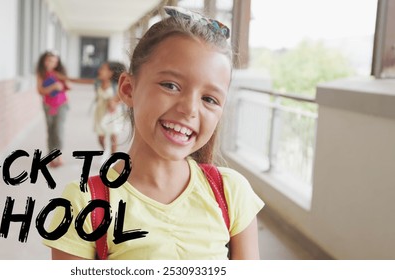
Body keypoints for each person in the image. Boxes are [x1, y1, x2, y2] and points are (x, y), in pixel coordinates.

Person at [43, 6, 264, 260]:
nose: (189, 109)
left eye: (210, 99)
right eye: (171, 85)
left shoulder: (230, 193)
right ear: (127, 89)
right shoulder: (85, 204)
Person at [36, 50, 70, 167]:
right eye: (50, 61)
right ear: (44, 61)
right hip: (48, 105)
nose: (52, 64)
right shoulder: (41, 74)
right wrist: (54, 86)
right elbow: (40, 91)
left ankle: (58, 155)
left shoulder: (59, 73)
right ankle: (51, 156)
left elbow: (68, 86)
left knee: (58, 129)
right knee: (50, 130)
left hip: (61, 104)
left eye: (55, 61)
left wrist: (65, 85)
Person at [92, 61, 127, 155]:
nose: (100, 70)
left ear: (110, 73)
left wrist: (114, 102)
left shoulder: (116, 85)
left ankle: (112, 157)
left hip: (113, 113)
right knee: (100, 137)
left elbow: (123, 98)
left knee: (113, 136)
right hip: (100, 112)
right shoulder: (97, 83)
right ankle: (105, 151)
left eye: (103, 69)